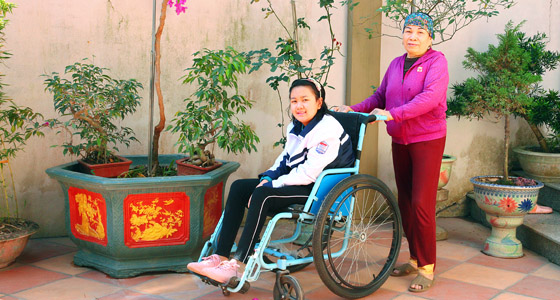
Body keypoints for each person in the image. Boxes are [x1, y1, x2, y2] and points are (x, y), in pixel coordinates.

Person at [187, 78, 355, 284]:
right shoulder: (298, 126)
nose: (299, 105)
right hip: (300, 182)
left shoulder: (327, 130)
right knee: (240, 187)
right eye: (294, 101)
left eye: (305, 100)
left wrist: (272, 185)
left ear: (319, 102)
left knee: (263, 194)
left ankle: (239, 264)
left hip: (319, 189)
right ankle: (220, 256)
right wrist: (267, 177)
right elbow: (285, 160)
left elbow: (308, 174)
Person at [334, 12, 447, 293]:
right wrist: (354, 108)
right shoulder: (396, 64)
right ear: (403, 35)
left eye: (420, 32)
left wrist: (392, 114)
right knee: (406, 201)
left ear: (430, 37)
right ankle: (413, 257)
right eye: (409, 31)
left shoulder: (437, 62)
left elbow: (430, 99)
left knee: (421, 203)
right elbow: (380, 96)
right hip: (400, 140)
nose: (413, 37)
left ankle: (427, 267)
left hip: (427, 140)